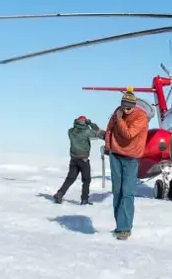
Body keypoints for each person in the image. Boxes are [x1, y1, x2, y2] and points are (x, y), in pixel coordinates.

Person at [103, 90, 148, 240]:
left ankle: (125, 228)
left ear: (134, 106)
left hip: (131, 157)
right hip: (115, 155)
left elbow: (129, 134)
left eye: (129, 107)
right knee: (117, 192)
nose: (126, 110)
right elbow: (109, 130)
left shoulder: (141, 116)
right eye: (124, 107)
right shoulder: (118, 113)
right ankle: (119, 225)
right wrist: (108, 147)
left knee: (127, 192)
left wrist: (120, 119)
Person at [53, 115, 105, 205]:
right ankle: (84, 199)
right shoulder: (86, 131)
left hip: (73, 159)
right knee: (86, 180)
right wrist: (91, 124)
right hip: (83, 160)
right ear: (84, 122)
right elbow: (99, 134)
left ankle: (60, 194)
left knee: (70, 179)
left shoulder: (71, 131)